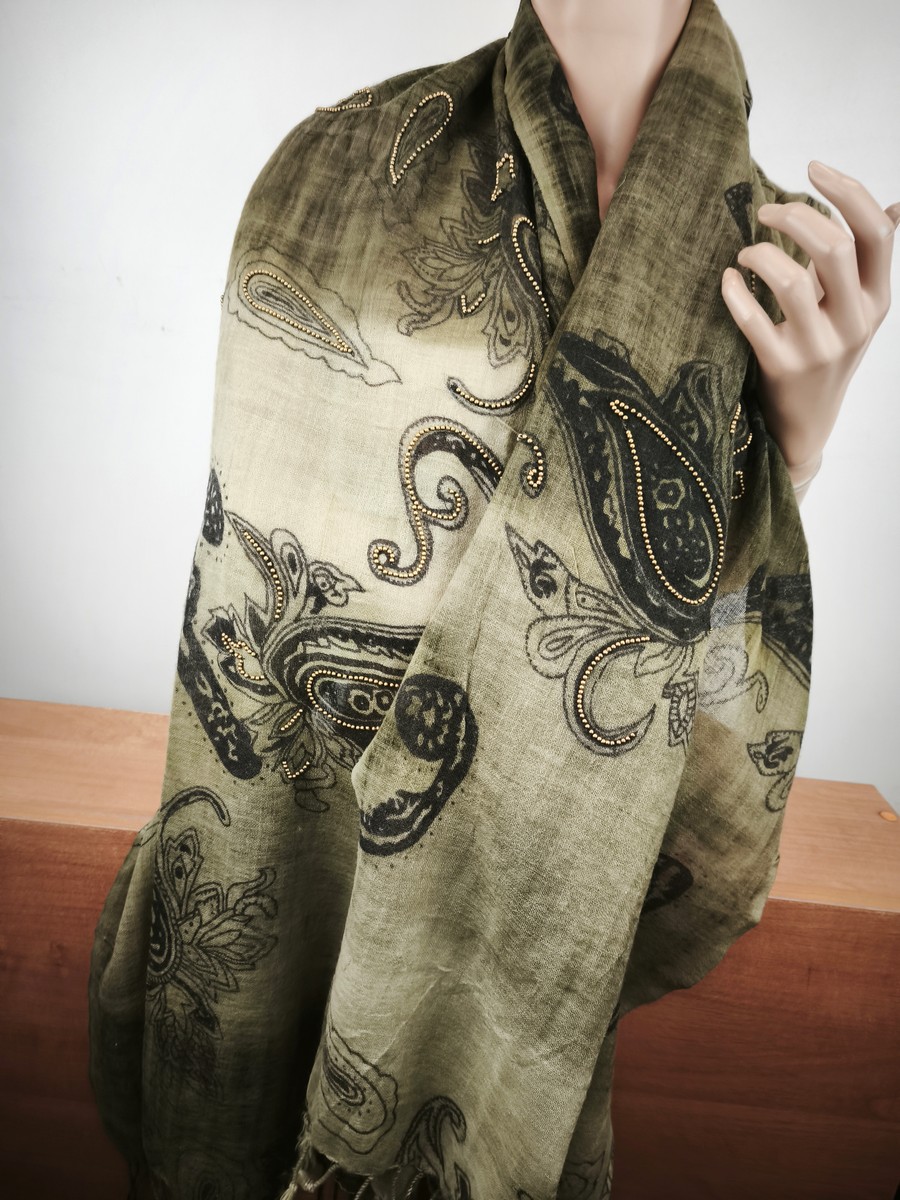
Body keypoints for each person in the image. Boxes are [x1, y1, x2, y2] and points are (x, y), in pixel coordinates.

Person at [87, 3, 898, 1199]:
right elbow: (246, 621)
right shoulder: (329, 177)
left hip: (530, 954)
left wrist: (791, 451)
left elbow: (684, 706)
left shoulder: (775, 272)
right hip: (291, 895)